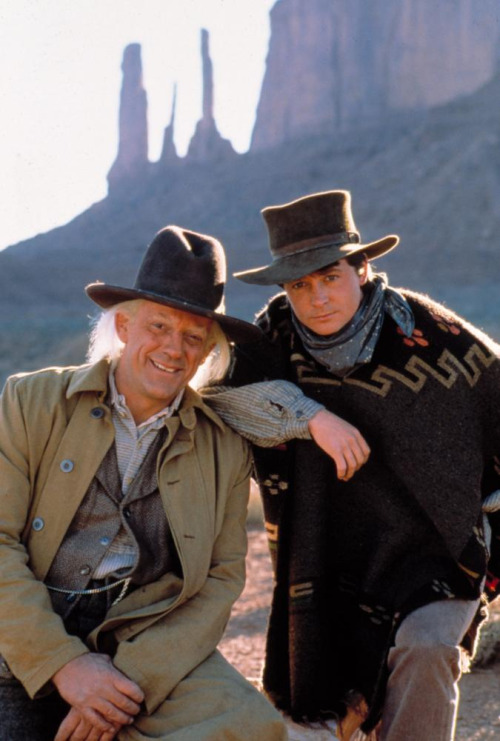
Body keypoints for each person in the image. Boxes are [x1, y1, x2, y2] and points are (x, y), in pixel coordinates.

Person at [203, 190, 500, 741]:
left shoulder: (433, 336)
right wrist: (310, 415)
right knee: (323, 694)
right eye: (299, 285)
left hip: (436, 553)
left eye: (330, 277)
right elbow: (215, 401)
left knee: (428, 649)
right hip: (326, 552)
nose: (317, 298)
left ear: (362, 268)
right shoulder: (272, 341)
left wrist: (486, 513)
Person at [0, 225, 289, 741]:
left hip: (141, 636)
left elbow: (220, 580)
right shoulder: (31, 402)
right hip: (24, 624)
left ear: (207, 351)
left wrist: (132, 679)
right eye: (159, 326)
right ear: (124, 325)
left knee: (251, 728)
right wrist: (64, 663)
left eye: (193, 337)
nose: (173, 349)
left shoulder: (223, 445)